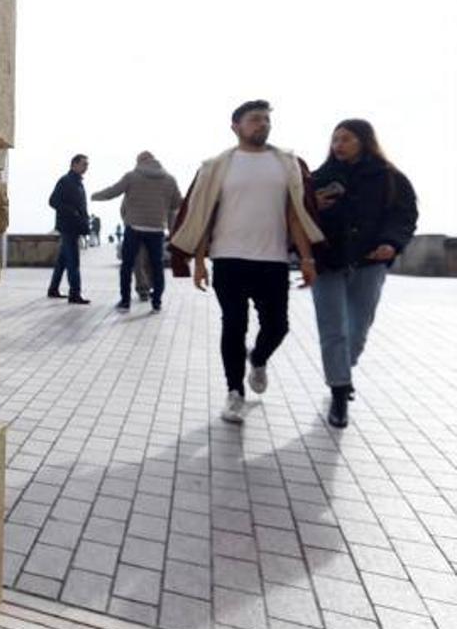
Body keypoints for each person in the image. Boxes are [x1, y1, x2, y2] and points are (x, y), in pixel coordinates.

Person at [169, 100, 325, 424]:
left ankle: (259, 358)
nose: (263, 125)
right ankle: (234, 393)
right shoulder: (218, 166)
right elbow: (203, 215)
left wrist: (307, 258)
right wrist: (199, 261)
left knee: (278, 326)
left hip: (273, 259)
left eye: (267, 120)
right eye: (255, 119)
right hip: (228, 258)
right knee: (234, 325)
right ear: (235, 126)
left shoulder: (287, 163)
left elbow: (296, 215)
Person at [309, 119, 417, 428]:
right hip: (327, 261)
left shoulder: (392, 178)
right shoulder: (317, 178)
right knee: (333, 330)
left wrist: (391, 244)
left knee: (358, 329)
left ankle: (343, 371)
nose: (338, 145)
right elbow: (297, 216)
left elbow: (405, 216)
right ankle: (339, 393)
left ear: (364, 141)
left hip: (370, 262)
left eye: (346, 139)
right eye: (335, 140)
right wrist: (313, 204)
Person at [91, 152, 182, 311]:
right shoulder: (169, 179)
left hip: (134, 228)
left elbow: (113, 191)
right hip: (157, 228)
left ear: (140, 161)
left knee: (127, 265)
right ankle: (157, 303)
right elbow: (176, 204)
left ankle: (125, 301)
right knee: (157, 266)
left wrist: (94, 196)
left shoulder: (132, 176)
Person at [47, 154, 91, 304]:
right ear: (74, 164)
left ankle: (53, 289)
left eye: (87, 164)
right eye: (84, 164)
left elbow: (82, 206)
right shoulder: (65, 181)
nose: (86, 167)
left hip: (75, 226)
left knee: (63, 260)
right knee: (73, 261)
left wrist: (85, 223)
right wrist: (71, 211)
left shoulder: (78, 182)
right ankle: (75, 293)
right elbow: (53, 201)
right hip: (68, 227)